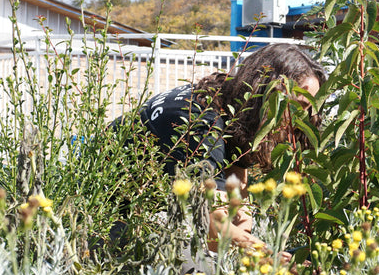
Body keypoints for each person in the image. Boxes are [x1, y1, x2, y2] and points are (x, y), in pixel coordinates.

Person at [114, 43, 326, 259]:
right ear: (268, 93)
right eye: (298, 105)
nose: (302, 120)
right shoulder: (202, 128)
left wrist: (248, 249)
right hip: (101, 213)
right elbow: (213, 228)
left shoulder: (229, 106)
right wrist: (268, 259)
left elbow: (236, 212)